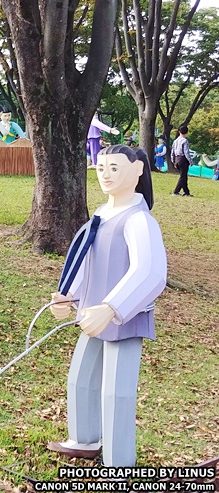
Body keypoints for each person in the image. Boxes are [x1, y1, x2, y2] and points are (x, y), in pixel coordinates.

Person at [48, 144, 166, 467]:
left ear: (137, 171)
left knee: (117, 392)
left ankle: (119, 462)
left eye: (114, 168)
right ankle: (84, 438)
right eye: (101, 168)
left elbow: (151, 272)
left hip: (122, 319)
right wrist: (68, 295)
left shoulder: (140, 220)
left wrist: (113, 308)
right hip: (91, 314)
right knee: (81, 379)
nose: (106, 175)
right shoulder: (101, 214)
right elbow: (86, 259)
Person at [171, 125, 192, 197]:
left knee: (184, 176)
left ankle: (186, 192)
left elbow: (172, 152)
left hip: (177, 158)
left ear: (179, 132)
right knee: (183, 177)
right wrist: (190, 160)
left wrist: (173, 161)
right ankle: (176, 191)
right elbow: (186, 152)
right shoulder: (185, 141)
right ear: (187, 132)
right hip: (183, 159)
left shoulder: (175, 141)